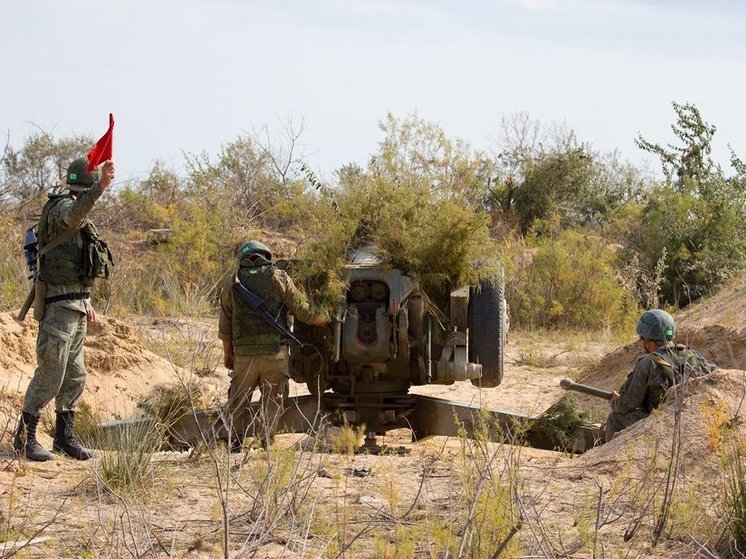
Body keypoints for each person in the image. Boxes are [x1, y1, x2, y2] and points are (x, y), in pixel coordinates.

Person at [14, 158, 115, 462]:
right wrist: (101, 187)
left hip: (76, 304)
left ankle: (64, 437)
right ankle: (24, 437)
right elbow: (73, 217)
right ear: (87, 184)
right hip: (59, 307)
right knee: (51, 373)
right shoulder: (61, 208)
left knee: (74, 375)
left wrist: (86, 299)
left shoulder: (73, 206)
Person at [218, 240, 326, 450]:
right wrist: (325, 319)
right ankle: (266, 442)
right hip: (275, 354)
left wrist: (228, 355)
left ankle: (236, 443)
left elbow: (225, 326)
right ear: (267, 256)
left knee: (238, 401)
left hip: (244, 357)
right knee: (273, 400)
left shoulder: (232, 283)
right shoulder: (279, 278)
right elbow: (303, 311)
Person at [606, 309, 717, 442]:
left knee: (614, 418)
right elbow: (718, 375)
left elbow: (627, 404)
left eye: (643, 339)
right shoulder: (693, 355)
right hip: (697, 421)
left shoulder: (647, 363)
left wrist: (614, 401)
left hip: (664, 426)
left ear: (649, 342)